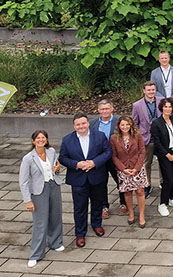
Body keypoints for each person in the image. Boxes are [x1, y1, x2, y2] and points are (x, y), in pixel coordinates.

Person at [59, 113, 112, 248]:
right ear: (74, 126)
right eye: (78, 124)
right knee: (79, 208)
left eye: (83, 123)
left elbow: (107, 152)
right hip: (78, 179)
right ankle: (80, 233)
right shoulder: (67, 140)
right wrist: (77, 164)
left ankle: (96, 225)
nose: (81, 126)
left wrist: (94, 162)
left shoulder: (99, 136)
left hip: (96, 176)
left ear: (88, 123)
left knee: (97, 203)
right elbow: (63, 158)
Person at [19, 130, 64, 267]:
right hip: (39, 191)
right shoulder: (28, 159)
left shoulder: (51, 152)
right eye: (38, 138)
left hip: (54, 186)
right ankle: (36, 254)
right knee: (40, 222)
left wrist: (57, 169)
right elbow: (23, 181)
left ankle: (55, 242)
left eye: (43, 137)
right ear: (33, 141)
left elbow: (55, 168)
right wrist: (28, 200)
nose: (41, 140)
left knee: (56, 216)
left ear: (46, 139)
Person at [109, 116, 148, 228]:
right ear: (119, 126)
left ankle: (141, 215)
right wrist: (123, 169)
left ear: (131, 125)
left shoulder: (137, 136)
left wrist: (137, 168)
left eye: (127, 124)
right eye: (122, 125)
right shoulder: (114, 138)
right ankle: (131, 213)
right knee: (127, 192)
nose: (125, 127)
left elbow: (142, 151)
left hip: (137, 168)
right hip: (124, 169)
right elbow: (114, 156)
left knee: (140, 191)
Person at [89, 100, 124, 218]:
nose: (105, 111)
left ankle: (123, 204)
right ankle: (104, 206)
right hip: (100, 158)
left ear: (112, 109)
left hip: (116, 157)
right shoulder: (92, 123)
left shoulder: (119, 121)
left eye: (107, 109)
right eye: (102, 109)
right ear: (98, 110)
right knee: (101, 183)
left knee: (120, 180)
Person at [149, 99, 173, 217]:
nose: (168, 109)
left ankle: (172, 198)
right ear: (161, 108)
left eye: (170, 107)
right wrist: (167, 155)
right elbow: (157, 142)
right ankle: (163, 203)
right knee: (168, 179)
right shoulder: (156, 123)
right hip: (165, 154)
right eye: (165, 107)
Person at [131, 81, 163, 198]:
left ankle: (162, 182)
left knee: (163, 161)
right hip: (146, 138)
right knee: (146, 163)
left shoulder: (162, 100)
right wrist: (138, 137)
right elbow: (134, 123)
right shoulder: (137, 105)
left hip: (160, 137)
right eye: (148, 90)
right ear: (144, 91)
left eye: (153, 90)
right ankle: (147, 185)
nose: (151, 92)